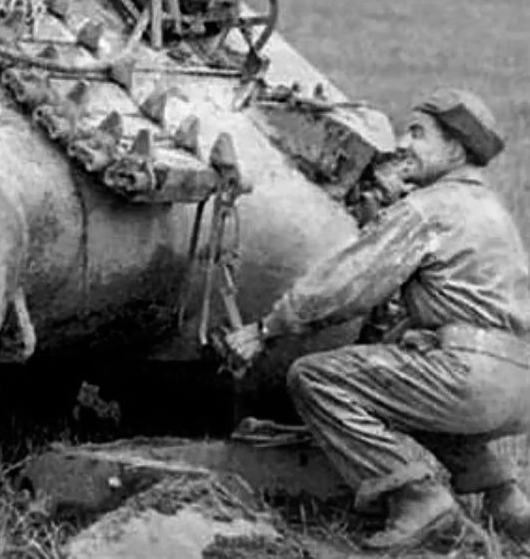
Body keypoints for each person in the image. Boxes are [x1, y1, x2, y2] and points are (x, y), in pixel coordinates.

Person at [225, 89, 530, 550]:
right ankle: (506, 501)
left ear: (454, 150)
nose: (403, 143)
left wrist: (266, 328)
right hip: (516, 385)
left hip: (469, 378)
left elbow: (347, 284)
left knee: (315, 378)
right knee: (409, 385)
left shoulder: (429, 208)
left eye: (418, 134)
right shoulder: (491, 210)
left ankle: (417, 497)